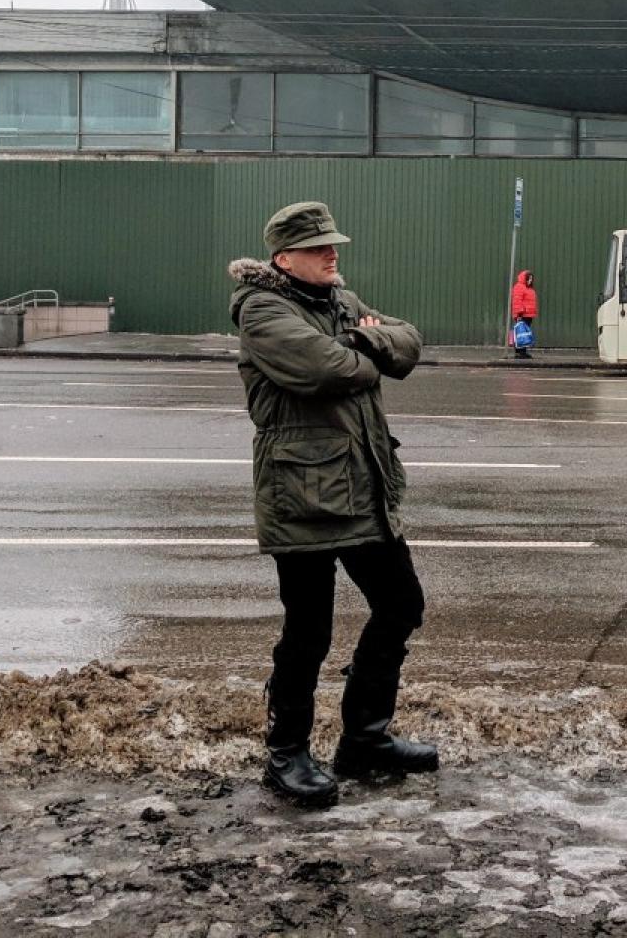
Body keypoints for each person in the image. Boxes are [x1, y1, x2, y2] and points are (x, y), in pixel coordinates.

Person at [228, 200, 438, 809]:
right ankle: (286, 753)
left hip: (364, 485)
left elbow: (408, 341)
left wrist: (367, 342)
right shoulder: (263, 310)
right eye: (320, 248)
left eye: (333, 244)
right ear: (284, 258)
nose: (333, 254)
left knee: (401, 604)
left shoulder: (337, 301)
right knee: (309, 630)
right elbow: (330, 368)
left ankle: (364, 740)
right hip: (302, 495)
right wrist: (364, 346)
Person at [509, 269, 538, 359]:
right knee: (520, 333)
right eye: (528, 279)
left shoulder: (528, 288)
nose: (530, 280)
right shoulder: (519, 287)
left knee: (525, 334)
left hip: (528, 314)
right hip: (522, 314)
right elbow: (517, 301)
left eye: (531, 279)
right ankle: (519, 352)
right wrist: (519, 314)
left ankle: (523, 351)